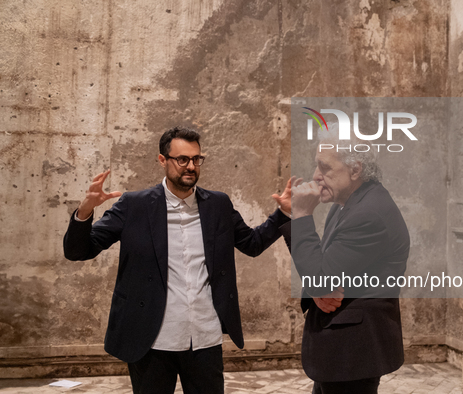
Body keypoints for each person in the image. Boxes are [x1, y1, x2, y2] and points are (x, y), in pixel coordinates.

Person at [63, 127, 291, 394]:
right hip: (151, 338)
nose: (191, 166)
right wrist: (86, 210)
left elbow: (252, 244)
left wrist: (282, 214)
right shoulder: (134, 205)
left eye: (196, 159)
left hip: (204, 336)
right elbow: (79, 250)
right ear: (163, 160)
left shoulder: (217, 204)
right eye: (182, 159)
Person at [281, 123, 410, 394]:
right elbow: (322, 268)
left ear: (355, 169)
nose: (316, 176)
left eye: (325, 167)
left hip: (353, 353)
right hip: (340, 351)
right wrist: (317, 293)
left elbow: (320, 276)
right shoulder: (345, 206)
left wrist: (302, 216)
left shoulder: (368, 214)